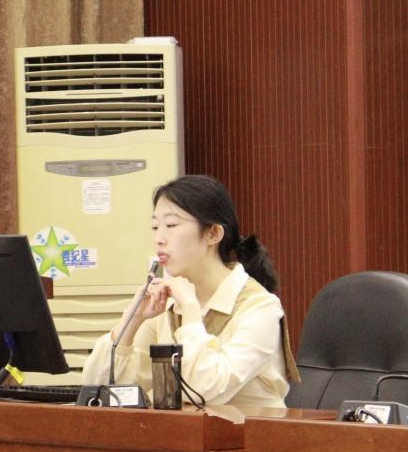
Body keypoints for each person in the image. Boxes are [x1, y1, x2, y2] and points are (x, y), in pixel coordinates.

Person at [81, 174, 299, 408]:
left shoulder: (260, 307)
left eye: (171, 226)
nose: (159, 239)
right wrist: (132, 319)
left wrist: (191, 312)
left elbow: (202, 391)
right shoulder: (167, 307)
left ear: (213, 234)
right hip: (182, 430)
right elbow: (100, 389)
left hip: (252, 430)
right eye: (155, 227)